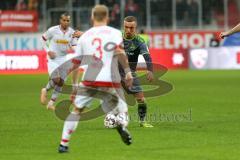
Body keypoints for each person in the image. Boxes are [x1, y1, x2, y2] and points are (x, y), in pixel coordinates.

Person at [58, 5, 133, 153]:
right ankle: (121, 126)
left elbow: (76, 63)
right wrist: (128, 72)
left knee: (77, 111)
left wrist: (74, 86)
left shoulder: (85, 36)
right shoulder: (115, 33)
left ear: (92, 17)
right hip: (109, 79)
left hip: (89, 80)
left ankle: (63, 144)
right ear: (107, 17)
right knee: (122, 110)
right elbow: (119, 52)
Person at [40, 12, 82, 110]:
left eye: (68, 20)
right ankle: (45, 90)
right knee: (56, 79)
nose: (66, 22)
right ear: (60, 20)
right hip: (52, 59)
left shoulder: (72, 32)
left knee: (61, 82)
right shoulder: (52, 30)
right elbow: (43, 40)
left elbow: (74, 45)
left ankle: (51, 103)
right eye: (64, 20)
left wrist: (78, 50)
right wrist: (48, 51)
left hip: (63, 59)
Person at [120, 16, 154, 128]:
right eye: (126, 27)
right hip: (114, 72)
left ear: (136, 28)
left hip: (130, 73)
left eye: (131, 28)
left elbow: (147, 57)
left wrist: (150, 70)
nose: (128, 30)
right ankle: (114, 119)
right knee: (113, 99)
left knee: (141, 99)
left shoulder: (139, 41)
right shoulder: (117, 37)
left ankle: (142, 122)